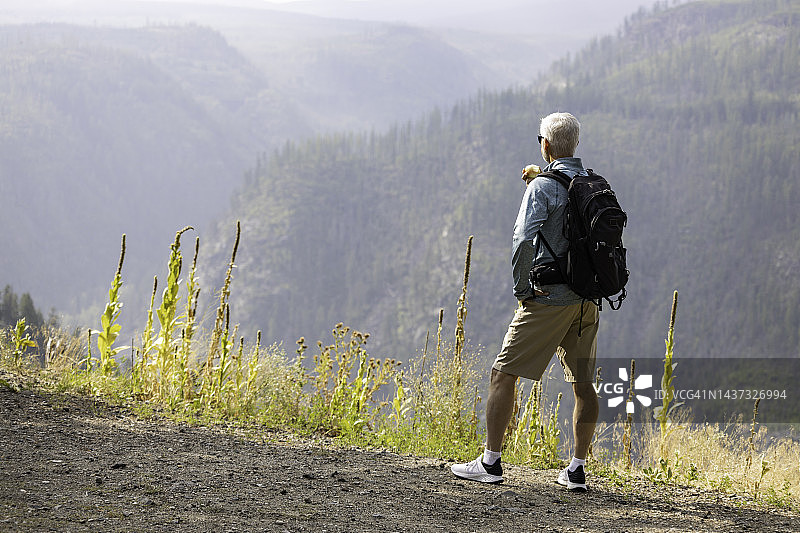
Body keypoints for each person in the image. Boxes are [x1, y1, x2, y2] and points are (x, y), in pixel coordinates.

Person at [450, 112, 599, 491]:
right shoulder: (592, 182)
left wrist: (523, 290)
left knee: (503, 374)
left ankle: (491, 462)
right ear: (575, 145)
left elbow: (522, 241)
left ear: (545, 145)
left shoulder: (543, 188)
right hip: (587, 301)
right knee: (584, 384)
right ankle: (577, 470)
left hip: (550, 299)